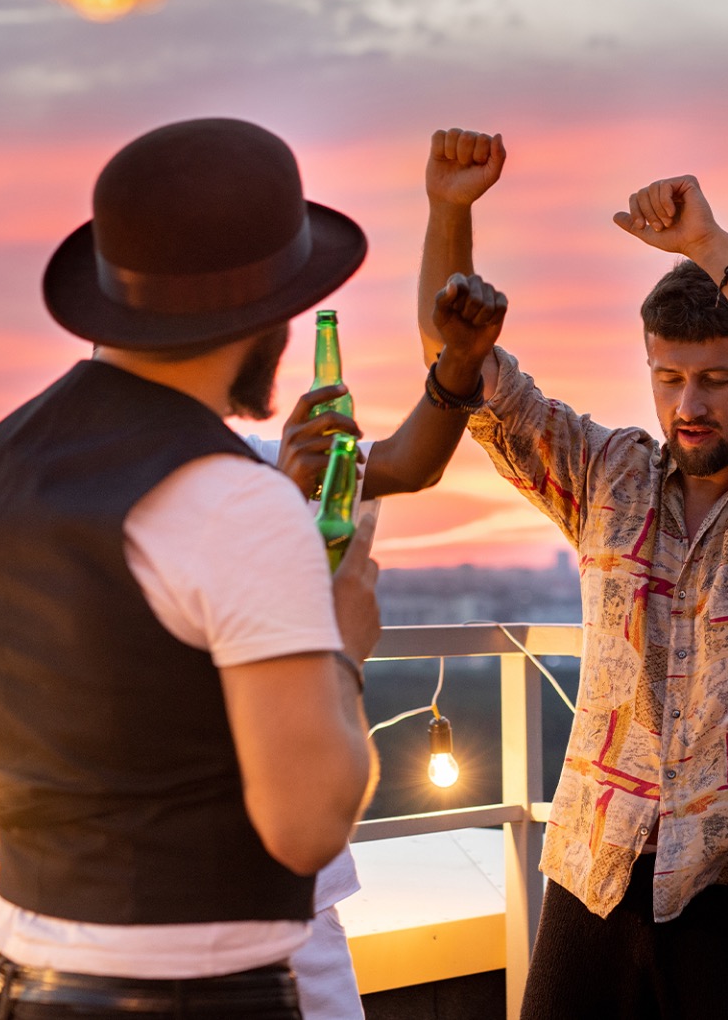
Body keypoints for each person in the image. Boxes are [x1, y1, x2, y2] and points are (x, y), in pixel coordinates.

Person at [405, 129, 728, 1019]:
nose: (689, 404)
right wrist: (451, 208)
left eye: (715, 377)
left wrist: (709, 244)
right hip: (592, 876)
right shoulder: (609, 475)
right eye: (668, 377)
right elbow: (461, 365)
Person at [0, 118, 379, 1019]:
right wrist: (345, 641)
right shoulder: (237, 500)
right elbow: (306, 827)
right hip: (208, 992)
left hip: (28, 980)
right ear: (272, 317)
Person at [257, 273, 509, 1020]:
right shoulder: (234, 477)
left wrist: (459, 366)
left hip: (302, 902)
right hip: (231, 897)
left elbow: (408, 463)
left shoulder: (253, 456)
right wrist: (341, 652)